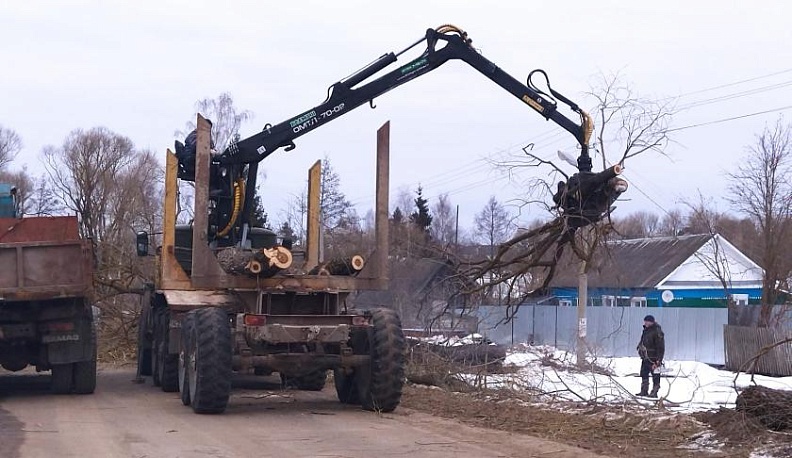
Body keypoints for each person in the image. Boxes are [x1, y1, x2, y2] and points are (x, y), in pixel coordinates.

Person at [636, 314, 664, 398]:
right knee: (644, 373)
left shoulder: (657, 331)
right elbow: (643, 341)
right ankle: (644, 390)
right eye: (645, 321)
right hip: (645, 357)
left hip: (654, 358)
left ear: (651, 322)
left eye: (647, 321)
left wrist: (658, 360)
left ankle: (654, 392)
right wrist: (639, 346)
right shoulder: (646, 330)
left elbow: (661, 347)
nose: (646, 323)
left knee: (655, 375)